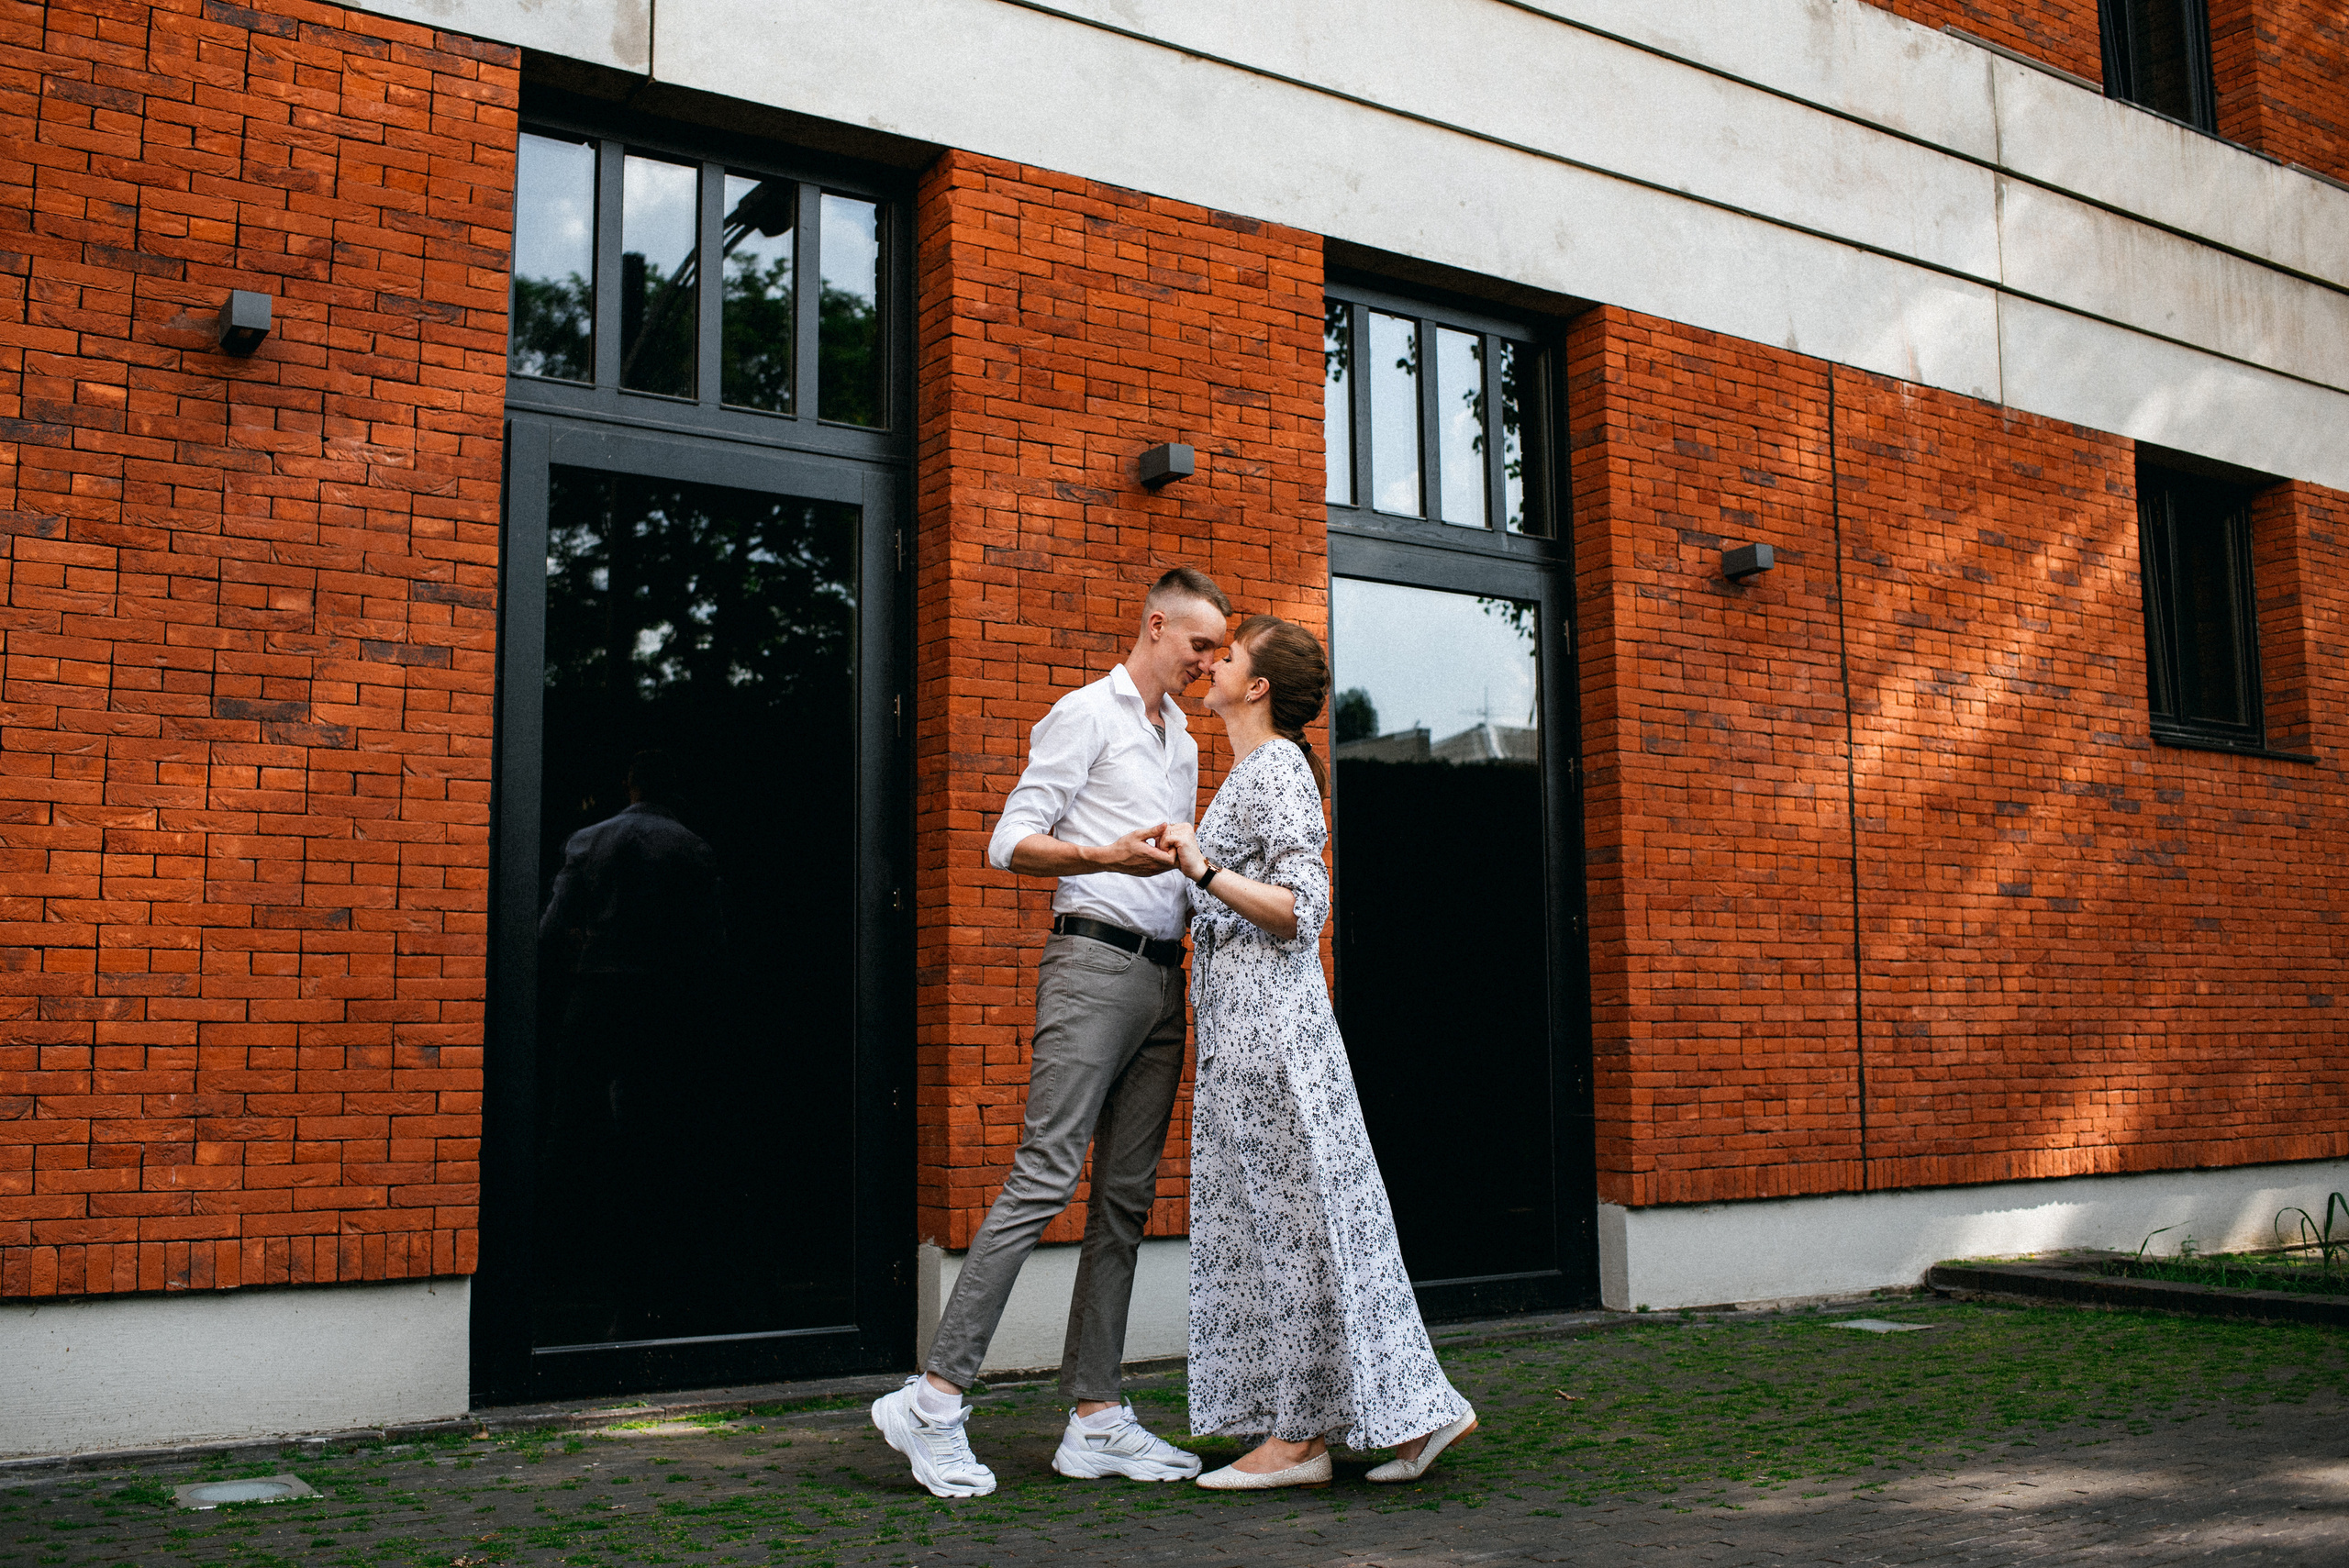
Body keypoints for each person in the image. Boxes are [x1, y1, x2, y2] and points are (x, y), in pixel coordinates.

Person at [870, 566, 1232, 1498]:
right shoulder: (1086, 712)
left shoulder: (1184, 737)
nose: (1209, 663)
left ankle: (1096, 1415)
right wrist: (1103, 851)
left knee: (1124, 1200)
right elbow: (1008, 839)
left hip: (1163, 978)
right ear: (1156, 626)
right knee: (1043, 1172)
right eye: (1200, 645)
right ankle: (934, 1397)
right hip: (1092, 965)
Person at [1160, 616, 1478, 1491]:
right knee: (1325, 1232)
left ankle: (1299, 1440)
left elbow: (1307, 909)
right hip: (1253, 1037)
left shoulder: (1275, 772)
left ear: (1256, 685)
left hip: (1273, 1043)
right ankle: (1424, 1411)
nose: (1213, 662)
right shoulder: (1254, 772)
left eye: (1228, 655)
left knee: (1293, 1238)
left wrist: (1202, 871)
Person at [538, 749, 728, 1340]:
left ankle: (564, 1262)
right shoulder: (692, 848)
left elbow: (548, 930)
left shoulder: (587, 840)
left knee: (574, 1122)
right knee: (656, 1132)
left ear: (630, 785)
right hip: (663, 1003)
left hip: (595, 996)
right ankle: (653, 1270)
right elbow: (711, 943)